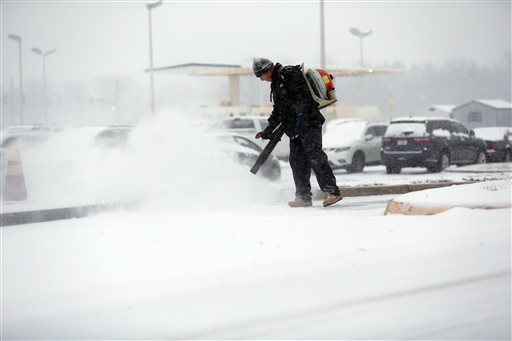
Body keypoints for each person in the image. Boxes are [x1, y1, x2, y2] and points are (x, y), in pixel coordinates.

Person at [253, 57, 343, 207]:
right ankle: (303, 197)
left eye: (260, 76)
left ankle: (332, 192)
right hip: (294, 128)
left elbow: (304, 97)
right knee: (297, 161)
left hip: (309, 124)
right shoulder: (276, 83)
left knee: (315, 156)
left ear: (267, 70)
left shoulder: (289, 74)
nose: (261, 79)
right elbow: (279, 110)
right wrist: (268, 131)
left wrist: (302, 117)